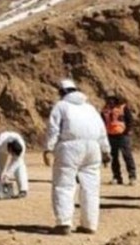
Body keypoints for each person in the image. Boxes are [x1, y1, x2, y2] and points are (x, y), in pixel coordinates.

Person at [43, 78, 110, 235]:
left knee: (64, 185)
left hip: (69, 147)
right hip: (93, 148)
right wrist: (106, 151)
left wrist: (48, 148)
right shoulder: (90, 108)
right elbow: (102, 131)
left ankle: (64, 223)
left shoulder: (61, 106)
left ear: (62, 92)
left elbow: (53, 129)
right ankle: (89, 225)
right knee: (91, 188)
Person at [101, 92, 137, 185]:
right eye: (108, 99)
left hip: (122, 135)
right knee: (113, 157)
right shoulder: (105, 110)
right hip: (110, 135)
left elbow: (130, 120)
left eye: (112, 99)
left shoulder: (123, 108)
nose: (109, 101)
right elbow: (102, 122)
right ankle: (117, 177)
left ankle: (132, 176)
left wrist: (126, 131)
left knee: (127, 156)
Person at [0, 131, 28, 198]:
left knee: (20, 165)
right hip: (1, 149)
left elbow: (16, 162)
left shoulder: (22, 147)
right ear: (10, 149)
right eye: (13, 154)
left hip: (13, 142)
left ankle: (23, 190)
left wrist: (7, 175)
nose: (13, 156)